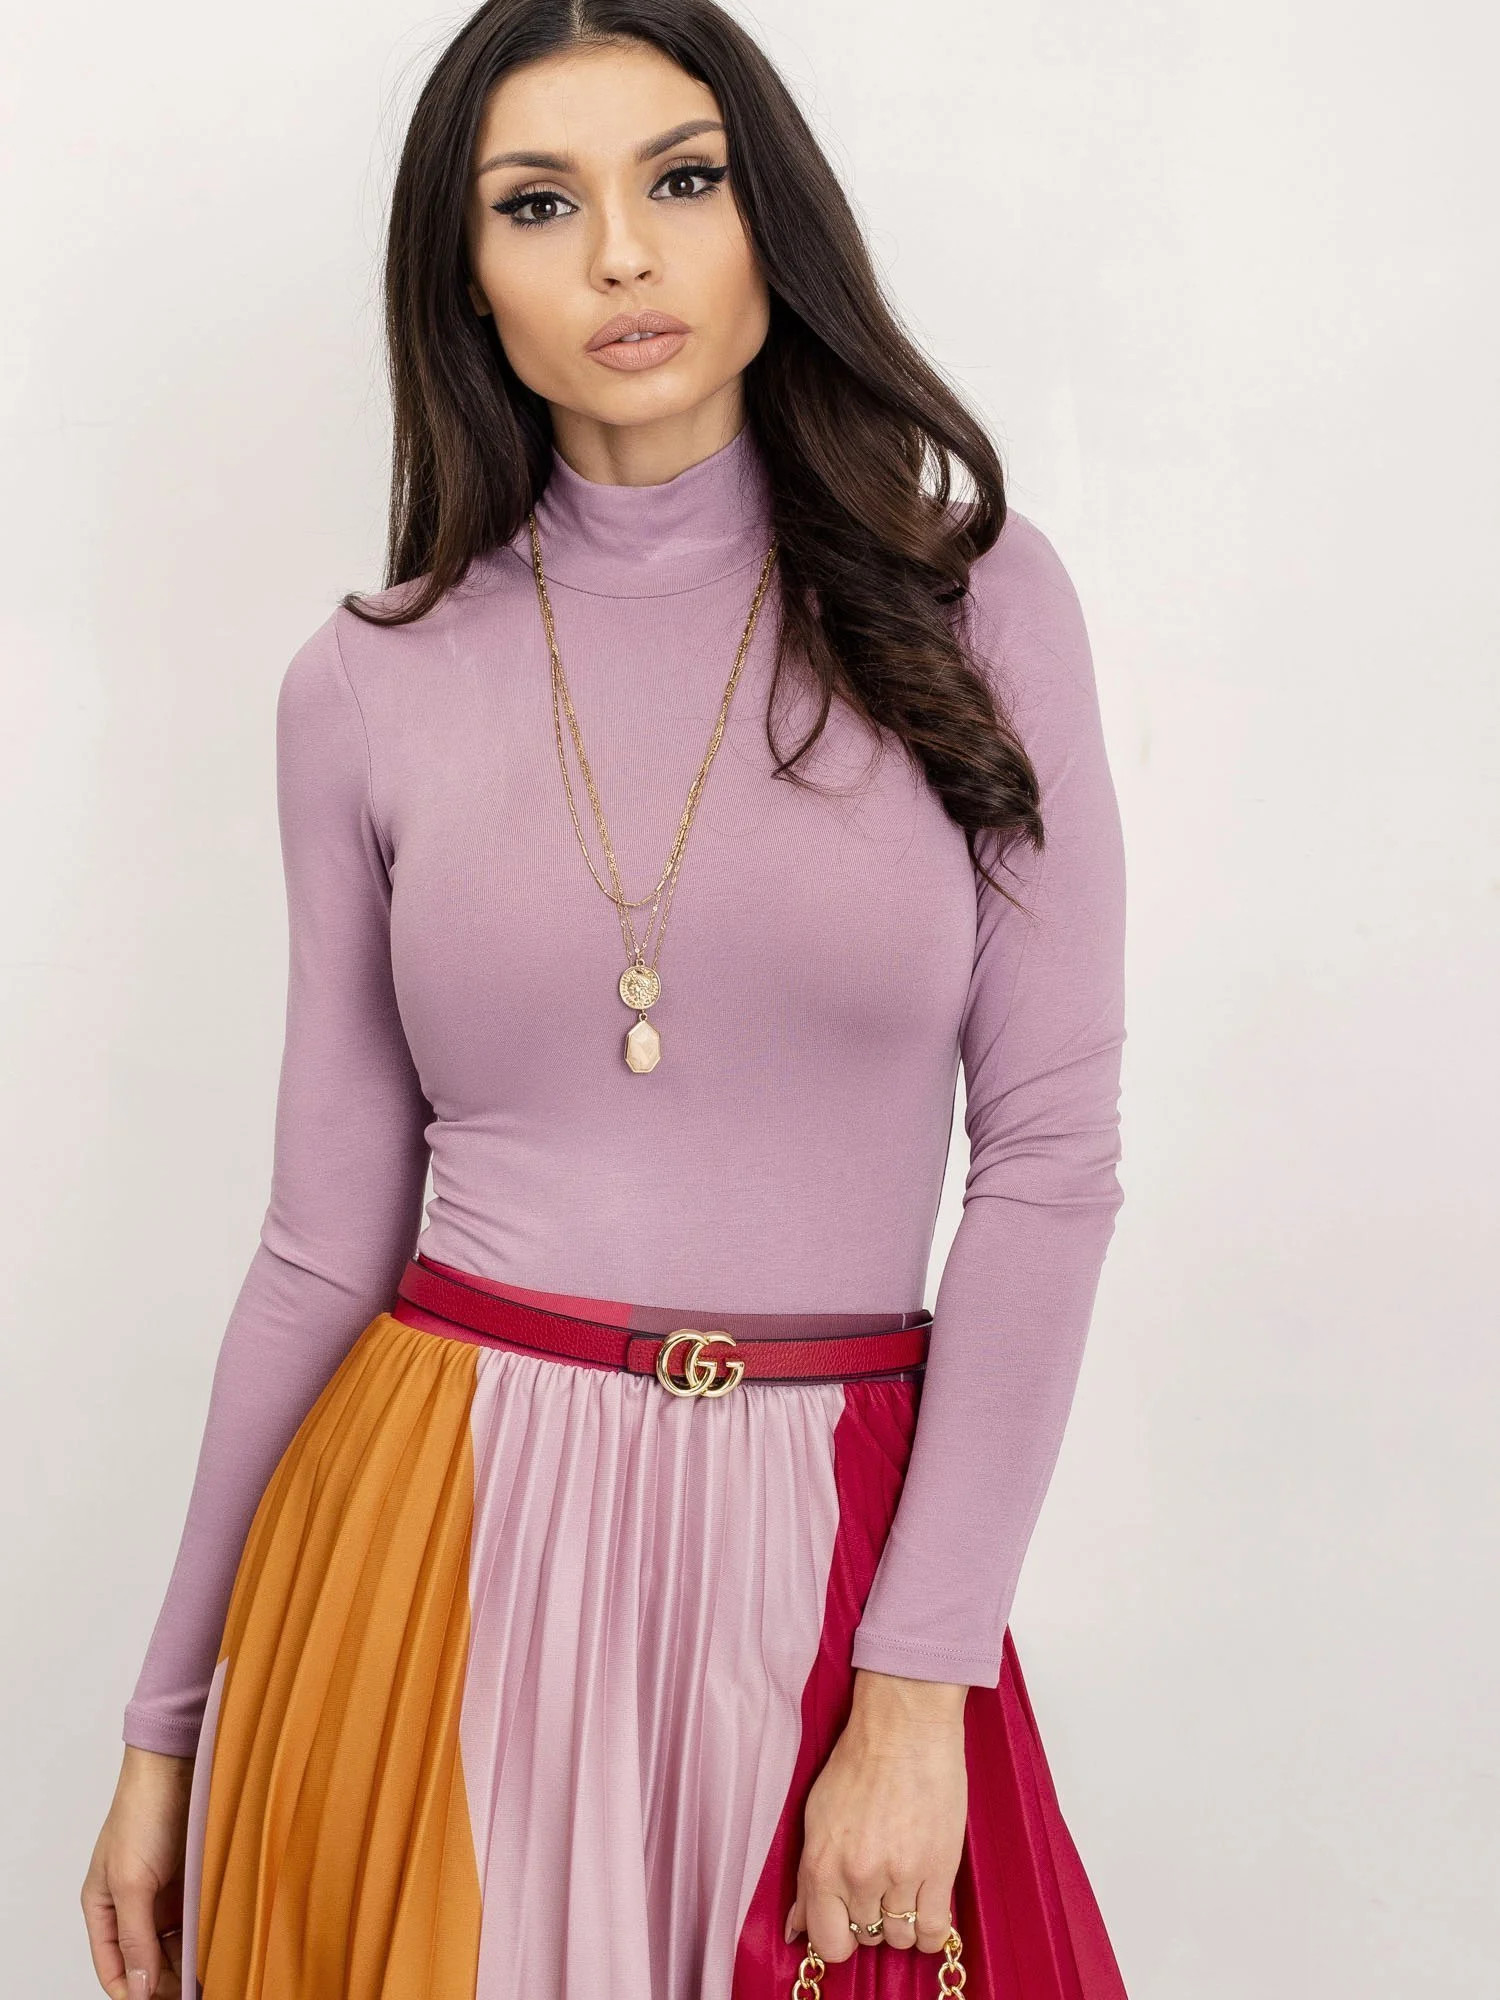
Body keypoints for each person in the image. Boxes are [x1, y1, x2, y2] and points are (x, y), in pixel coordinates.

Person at [81, 3, 1131, 1996]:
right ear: (466, 278)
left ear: (770, 219)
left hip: (836, 1536)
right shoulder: (365, 682)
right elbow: (321, 1242)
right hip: (429, 1543)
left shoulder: (977, 604)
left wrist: (919, 1684)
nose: (623, 255)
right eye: (540, 204)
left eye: (682, 179)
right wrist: (165, 1724)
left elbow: (1052, 1162)